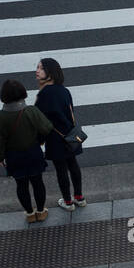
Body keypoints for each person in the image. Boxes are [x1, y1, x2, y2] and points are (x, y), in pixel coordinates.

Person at [0, 78, 54, 224]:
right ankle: (41, 211)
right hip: (33, 153)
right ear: (22, 93)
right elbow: (47, 128)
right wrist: (40, 139)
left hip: (14, 156)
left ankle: (30, 213)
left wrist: (0, 157)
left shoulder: (0, 117)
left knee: (21, 185)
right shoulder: (30, 111)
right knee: (37, 182)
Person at [34, 57, 86, 212]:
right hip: (70, 134)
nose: (37, 71)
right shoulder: (64, 90)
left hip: (55, 137)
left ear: (50, 72)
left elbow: (40, 120)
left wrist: (39, 140)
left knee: (61, 170)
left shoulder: (44, 94)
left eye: (41, 68)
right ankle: (79, 197)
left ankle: (68, 201)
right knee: (73, 164)